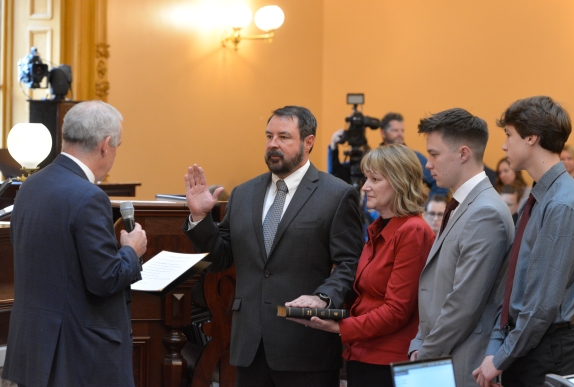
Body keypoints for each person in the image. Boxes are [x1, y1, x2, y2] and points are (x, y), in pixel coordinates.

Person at [182, 106, 364, 387]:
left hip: (305, 344)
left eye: (283, 137)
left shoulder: (337, 195)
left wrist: (323, 298)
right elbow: (220, 259)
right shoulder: (244, 193)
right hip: (249, 345)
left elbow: (350, 263)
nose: (273, 144)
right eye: (269, 136)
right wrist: (199, 218)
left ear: (308, 142)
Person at [2, 101, 148, 387]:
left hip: (35, 348)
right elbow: (105, 279)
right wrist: (132, 250)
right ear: (105, 145)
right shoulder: (89, 197)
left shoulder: (30, 186)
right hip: (79, 356)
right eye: (118, 145)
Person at [474, 95, 574, 387]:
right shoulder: (542, 195)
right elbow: (516, 288)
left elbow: (541, 306)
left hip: (550, 349)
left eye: (509, 135)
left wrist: (501, 358)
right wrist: (497, 349)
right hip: (530, 345)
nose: (504, 146)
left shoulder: (562, 204)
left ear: (531, 138)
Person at [290, 144, 435, 387]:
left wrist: (339, 326)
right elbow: (365, 297)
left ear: (399, 182)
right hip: (362, 353)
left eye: (374, 179)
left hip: (390, 361)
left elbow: (397, 311)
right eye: (366, 178)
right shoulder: (380, 228)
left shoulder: (413, 231)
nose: (365, 186)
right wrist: (320, 305)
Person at [408, 108, 514, 387]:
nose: (428, 165)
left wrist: (425, 353)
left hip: (461, 362)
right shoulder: (461, 204)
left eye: (434, 154)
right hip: (441, 354)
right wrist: (419, 341)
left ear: (463, 153)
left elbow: (463, 304)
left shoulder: (485, 212)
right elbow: (435, 286)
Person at [328, 112, 448, 196]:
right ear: (383, 133)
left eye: (402, 130)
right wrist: (333, 147)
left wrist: (431, 207)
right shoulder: (372, 158)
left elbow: (439, 186)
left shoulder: (414, 158)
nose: (400, 134)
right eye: (395, 130)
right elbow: (338, 175)